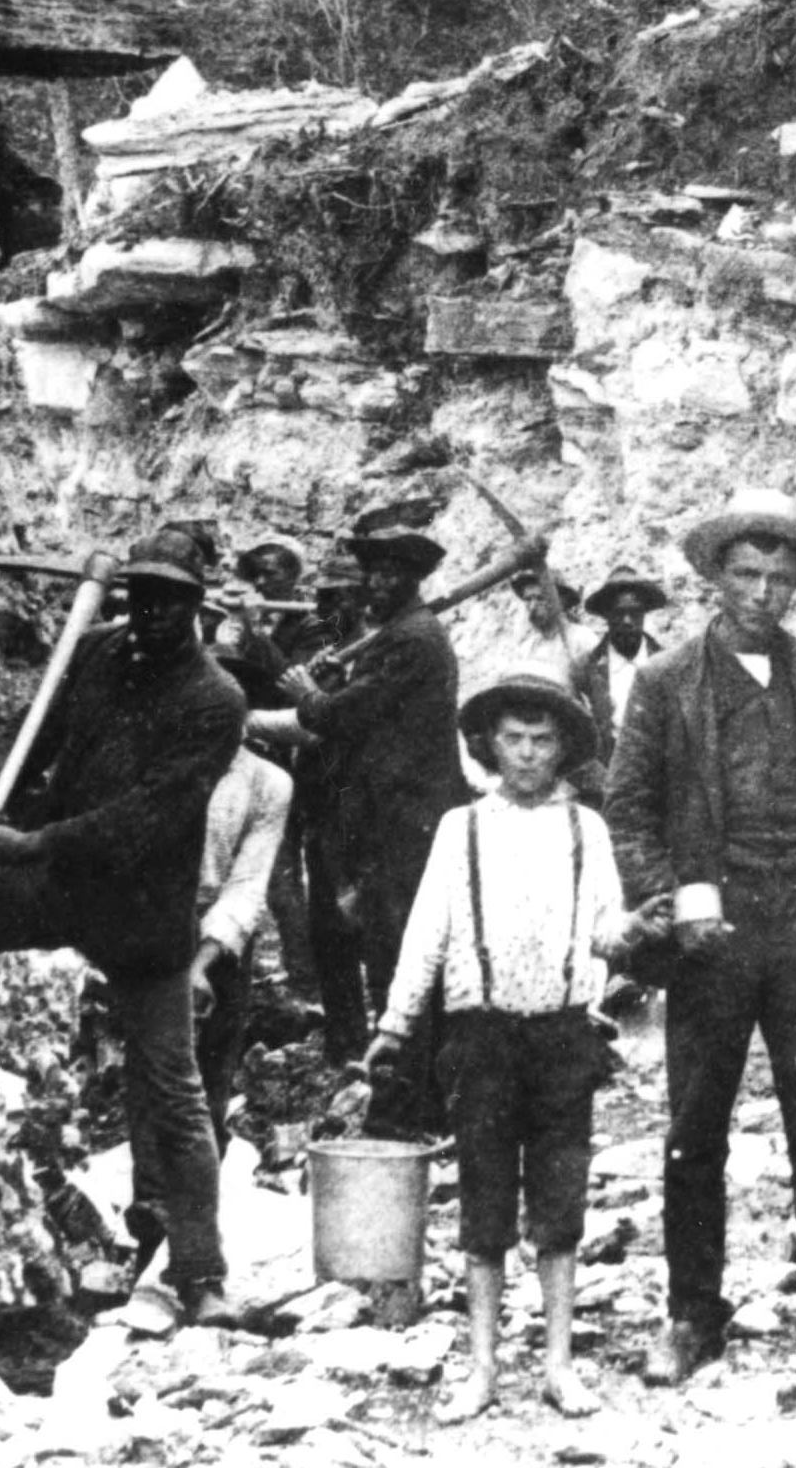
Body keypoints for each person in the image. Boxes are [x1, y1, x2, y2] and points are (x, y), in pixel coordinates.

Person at [0, 540, 245, 1326]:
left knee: (174, 1091)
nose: (152, 611)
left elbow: (152, 813)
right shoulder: (96, 650)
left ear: (196, 603)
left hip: (139, 909)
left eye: (170, 597)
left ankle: (201, 1275)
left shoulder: (215, 697)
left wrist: (34, 841)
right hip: (52, 878)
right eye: (141, 594)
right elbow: (42, 733)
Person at [605, 488, 796, 1384]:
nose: (763, 592)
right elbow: (627, 805)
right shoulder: (666, 680)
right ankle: (693, 1313)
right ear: (715, 579)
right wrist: (671, 899)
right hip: (711, 935)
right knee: (696, 1127)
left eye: (778, 577)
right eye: (746, 574)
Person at [365, 673, 628, 1426]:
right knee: (484, 1200)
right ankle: (481, 1366)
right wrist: (394, 1024)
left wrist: (632, 940)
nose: (528, 753)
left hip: (562, 1035)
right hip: (479, 1036)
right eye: (513, 738)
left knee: (560, 1201)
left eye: (543, 740)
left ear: (564, 748)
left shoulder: (587, 829)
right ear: (489, 744)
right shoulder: (462, 828)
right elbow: (426, 933)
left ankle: (558, 1365)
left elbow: (607, 928)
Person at [227, 497, 473, 1085]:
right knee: (379, 941)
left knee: (400, 947)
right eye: (374, 572)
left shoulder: (412, 639)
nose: (378, 584)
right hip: (377, 811)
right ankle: (399, 1073)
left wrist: (306, 693)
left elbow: (342, 717)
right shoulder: (393, 635)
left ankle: (413, 1082)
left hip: (406, 814)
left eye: (392, 574)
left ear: (414, 579)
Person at [191, 741, 293, 1142]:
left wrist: (200, 965)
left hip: (224, 933)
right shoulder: (161, 763)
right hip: (156, 925)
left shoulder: (268, 783)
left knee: (213, 1072)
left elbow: (248, 886)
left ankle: (205, 1167)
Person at [573, 563, 670, 800]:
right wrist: (599, 779)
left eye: (635, 613)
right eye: (618, 613)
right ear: (606, 616)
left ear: (644, 614)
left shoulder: (667, 665)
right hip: (603, 790)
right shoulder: (585, 669)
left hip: (657, 788)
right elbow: (573, 735)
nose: (627, 620)